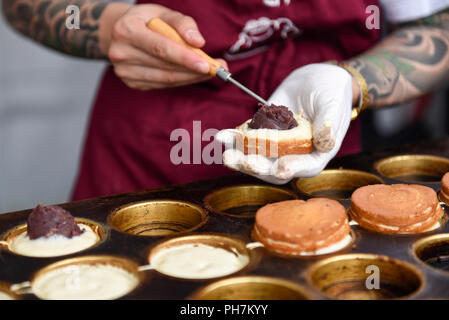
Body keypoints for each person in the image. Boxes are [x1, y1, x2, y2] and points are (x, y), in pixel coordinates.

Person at [3, 0, 449, 199]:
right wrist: (109, 26)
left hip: (322, 146)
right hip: (147, 155)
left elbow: (437, 29)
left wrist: (349, 80)